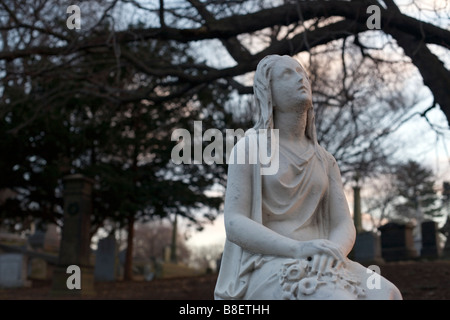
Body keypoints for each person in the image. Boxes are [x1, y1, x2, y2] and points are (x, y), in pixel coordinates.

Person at [214, 54, 402, 300]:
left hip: (324, 257)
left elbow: (343, 223)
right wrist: (298, 248)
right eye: (287, 74)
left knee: (388, 293)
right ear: (267, 91)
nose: (300, 78)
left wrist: (333, 251)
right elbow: (235, 222)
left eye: (301, 72)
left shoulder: (325, 159)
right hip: (271, 260)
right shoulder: (249, 148)